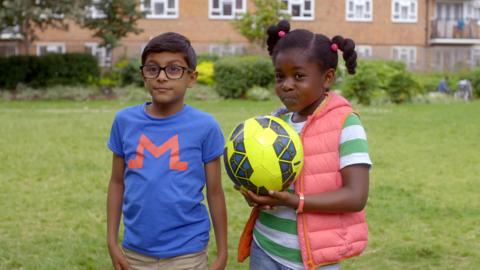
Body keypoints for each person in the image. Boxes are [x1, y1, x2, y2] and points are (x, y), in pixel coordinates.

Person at [236, 20, 372, 270]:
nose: (286, 84)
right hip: (265, 246)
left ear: (327, 78)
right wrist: (254, 192)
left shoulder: (346, 124)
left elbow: (356, 196)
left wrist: (294, 201)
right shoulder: (275, 123)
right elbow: (266, 179)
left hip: (316, 260)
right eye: (280, 76)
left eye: (299, 76)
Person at [106, 32, 228, 270]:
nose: (161, 77)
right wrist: (111, 241)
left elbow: (215, 193)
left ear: (191, 78)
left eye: (173, 69)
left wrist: (222, 253)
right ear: (143, 75)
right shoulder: (124, 121)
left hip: (188, 253)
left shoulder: (206, 127)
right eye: (153, 69)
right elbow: (116, 183)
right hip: (135, 252)